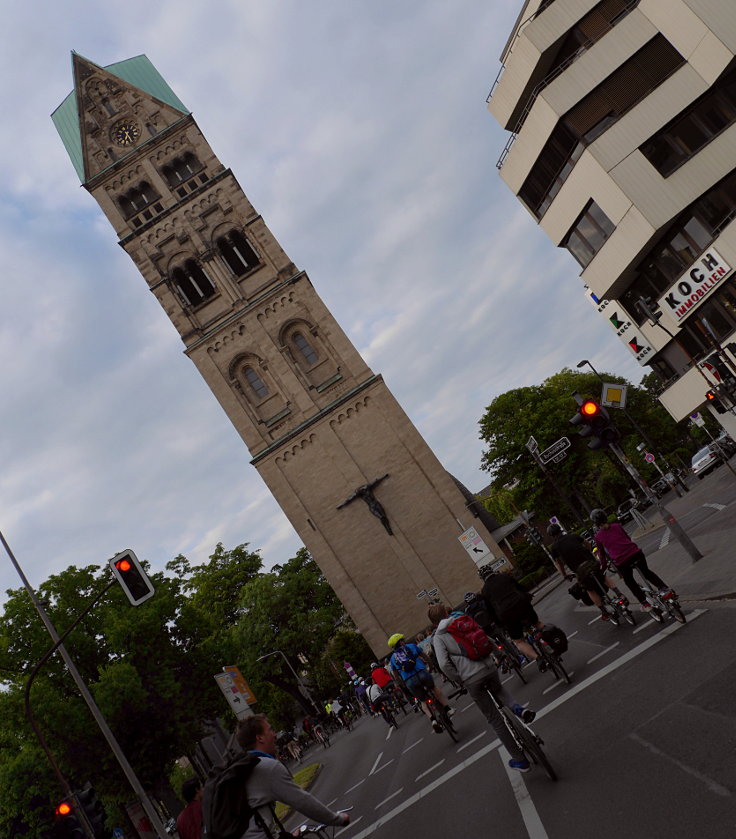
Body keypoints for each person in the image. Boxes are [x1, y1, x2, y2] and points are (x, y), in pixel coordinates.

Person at [429, 603, 536, 773]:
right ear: (447, 612)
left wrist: (460, 679)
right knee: (500, 691)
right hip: (488, 667)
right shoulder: (462, 619)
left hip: (471, 678)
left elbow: (443, 664)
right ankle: (519, 709)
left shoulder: (438, 636)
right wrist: (500, 656)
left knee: (495, 719)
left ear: (433, 623)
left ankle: (520, 760)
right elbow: (486, 638)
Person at [236, 714, 350, 838]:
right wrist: (337, 819)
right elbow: (303, 802)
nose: (275, 735)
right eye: (270, 730)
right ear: (260, 738)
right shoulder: (266, 767)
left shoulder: (241, 770)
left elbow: (252, 822)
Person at [590, 509, 675, 612]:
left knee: (629, 581)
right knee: (647, 572)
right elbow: (627, 538)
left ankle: (645, 603)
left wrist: (603, 567)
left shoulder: (598, 536)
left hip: (622, 561)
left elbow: (602, 555)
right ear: (606, 517)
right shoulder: (617, 526)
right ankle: (664, 588)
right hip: (636, 554)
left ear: (595, 523)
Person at [547, 523, 626, 620]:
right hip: (591, 563)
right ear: (560, 530)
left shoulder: (554, 547)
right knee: (603, 577)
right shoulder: (573, 536)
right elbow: (588, 544)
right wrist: (589, 554)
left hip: (580, 570)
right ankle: (619, 594)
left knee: (590, 589)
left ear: (552, 536)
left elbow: (559, 564)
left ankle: (604, 612)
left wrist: (565, 575)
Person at [479, 566, 546, 669]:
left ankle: (538, 658)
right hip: (522, 605)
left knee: (518, 641)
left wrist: (499, 623)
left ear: (482, 578)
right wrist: (527, 595)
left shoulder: (485, 590)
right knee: (537, 623)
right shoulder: (505, 576)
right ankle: (551, 639)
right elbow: (520, 587)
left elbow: (491, 611)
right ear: (492, 571)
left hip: (507, 615)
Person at [387, 633, 454, 732]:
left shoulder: (392, 658)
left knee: (422, 700)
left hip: (409, 681)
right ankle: (448, 708)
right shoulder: (411, 646)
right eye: (403, 640)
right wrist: (431, 666)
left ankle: (432, 719)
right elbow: (425, 656)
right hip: (422, 673)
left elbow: (396, 675)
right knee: (433, 688)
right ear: (400, 642)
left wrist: (402, 684)